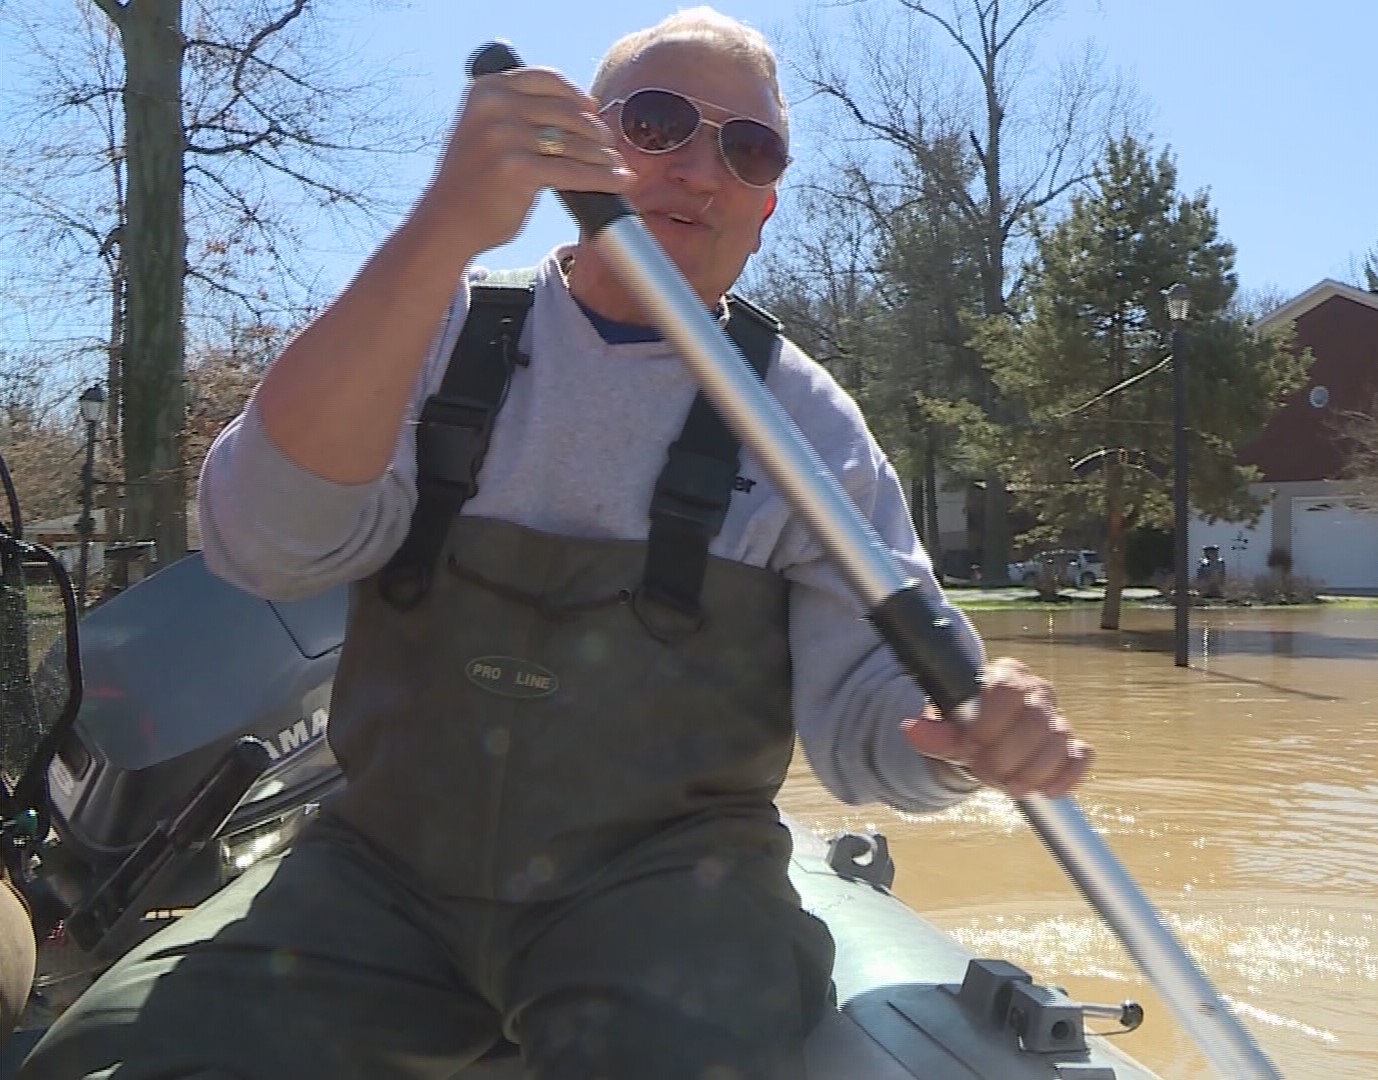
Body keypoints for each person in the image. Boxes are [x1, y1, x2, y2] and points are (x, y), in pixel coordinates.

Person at [18, 8, 1092, 1079]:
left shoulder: (812, 434)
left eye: (747, 147)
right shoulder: (425, 333)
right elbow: (260, 546)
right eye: (661, 121)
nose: (702, 168)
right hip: (378, 872)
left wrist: (961, 736)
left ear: (764, 207)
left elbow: (869, 720)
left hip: (671, 898)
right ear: (582, 144)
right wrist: (446, 225)